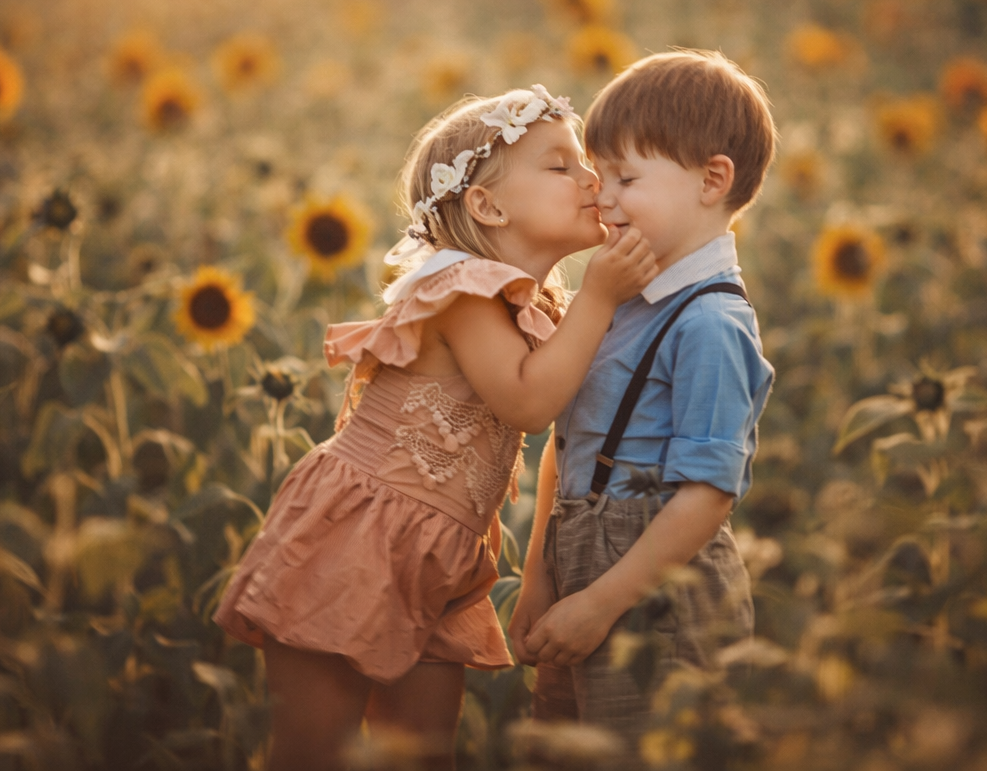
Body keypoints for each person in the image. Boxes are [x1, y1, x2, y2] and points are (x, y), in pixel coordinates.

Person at [213, 84, 658, 771]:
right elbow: (527, 403)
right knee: (312, 752)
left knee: (419, 754)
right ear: (486, 205)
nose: (590, 177)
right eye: (560, 164)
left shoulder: (536, 303)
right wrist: (602, 293)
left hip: (441, 554)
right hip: (358, 537)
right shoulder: (461, 288)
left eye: (585, 163)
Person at [508, 50, 778, 741]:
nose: (603, 196)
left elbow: (706, 497)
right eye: (601, 177)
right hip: (580, 567)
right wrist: (543, 576)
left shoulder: (710, 322)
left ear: (712, 180)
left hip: (656, 595)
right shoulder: (620, 297)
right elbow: (567, 446)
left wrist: (600, 603)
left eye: (626, 178)